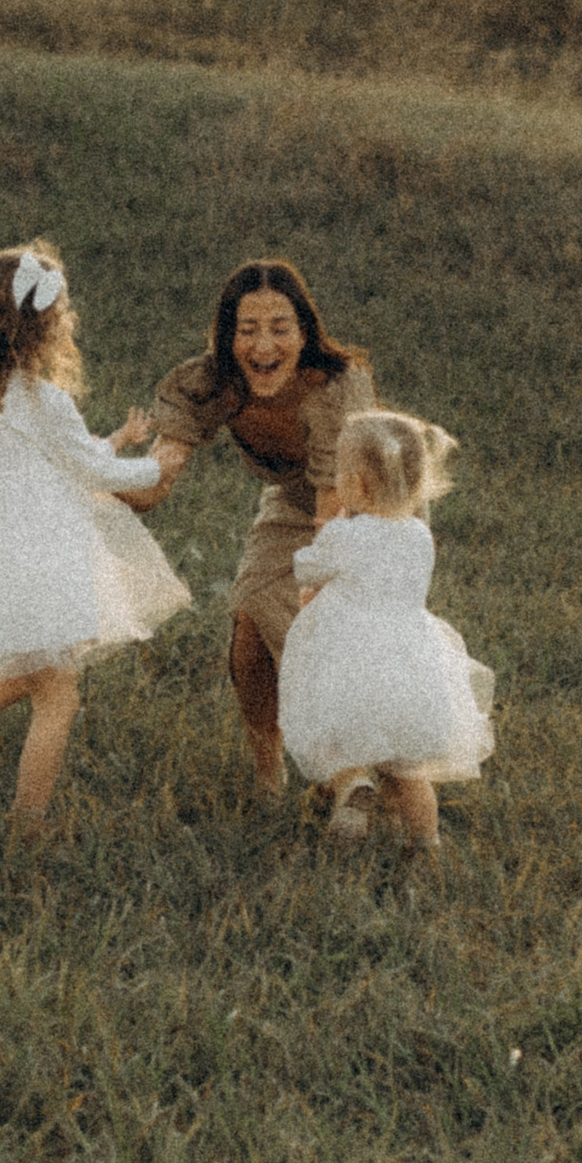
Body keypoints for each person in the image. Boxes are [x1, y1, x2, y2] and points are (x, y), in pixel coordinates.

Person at [0, 240, 189, 837]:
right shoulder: (45, 399)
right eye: (62, 313)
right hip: (38, 556)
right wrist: (157, 468)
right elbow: (89, 474)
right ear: (38, 327)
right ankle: (27, 824)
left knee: (43, 667)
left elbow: (61, 455)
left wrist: (114, 440)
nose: (69, 322)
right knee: (57, 693)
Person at [129, 260, 375, 797]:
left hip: (365, 514)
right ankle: (270, 775)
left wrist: (311, 595)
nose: (263, 346)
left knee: (309, 636)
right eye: (247, 330)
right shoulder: (210, 383)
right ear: (225, 335)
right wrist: (94, 485)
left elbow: (334, 516)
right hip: (291, 501)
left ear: (305, 332)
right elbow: (156, 481)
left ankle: (350, 775)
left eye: (280, 329)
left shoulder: (336, 388)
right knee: (248, 632)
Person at [277, 409, 494, 853]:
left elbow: (305, 569)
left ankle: (354, 783)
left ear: (355, 485)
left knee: (329, 740)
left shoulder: (346, 535)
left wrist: (326, 533)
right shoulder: (419, 536)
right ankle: (426, 845)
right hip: (412, 668)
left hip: (351, 662)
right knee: (410, 772)